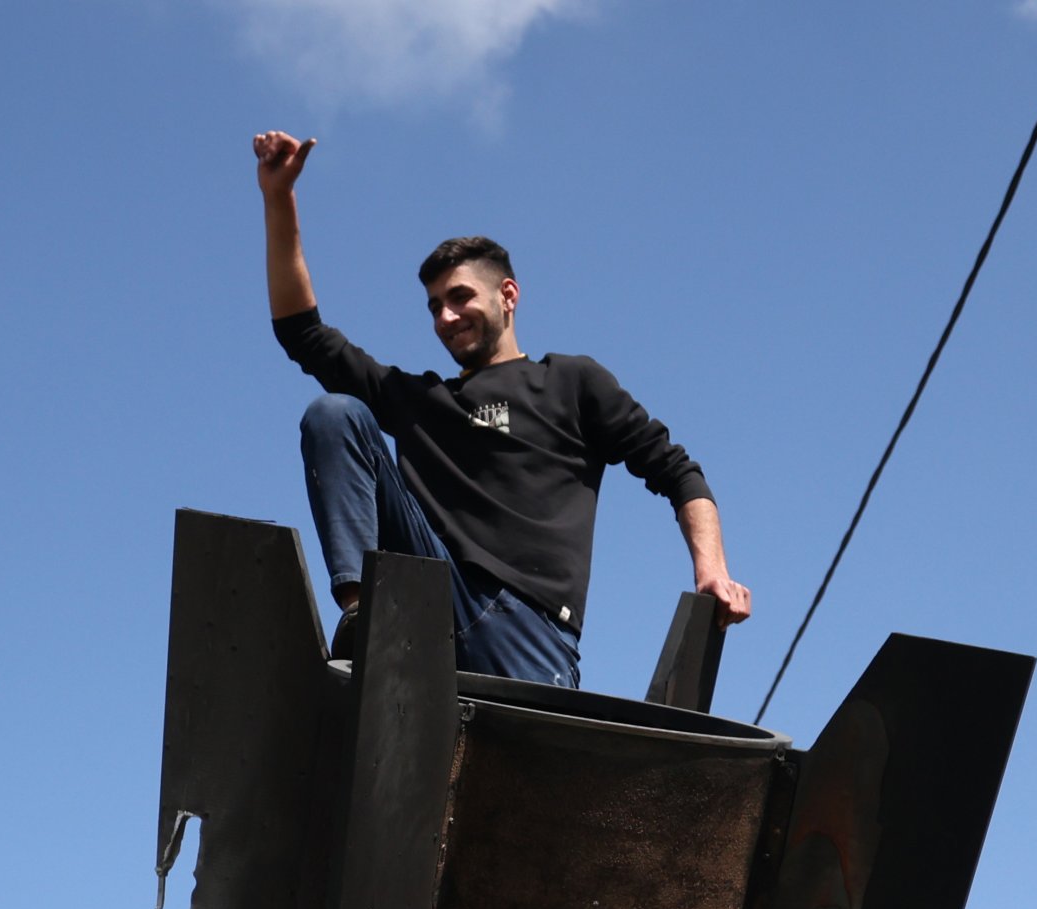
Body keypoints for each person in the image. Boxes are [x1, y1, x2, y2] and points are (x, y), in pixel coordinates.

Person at [251, 129, 749, 689]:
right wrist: (279, 200)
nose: (445, 316)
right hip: (427, 596)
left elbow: (677, 471)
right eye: (435, 306)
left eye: (460, 297)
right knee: (335, 414)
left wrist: (712, 571)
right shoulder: (420, 401)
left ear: (507, 295)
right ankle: (364, 615)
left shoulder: (569, 381)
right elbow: (303, 334)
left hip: (526, 628)